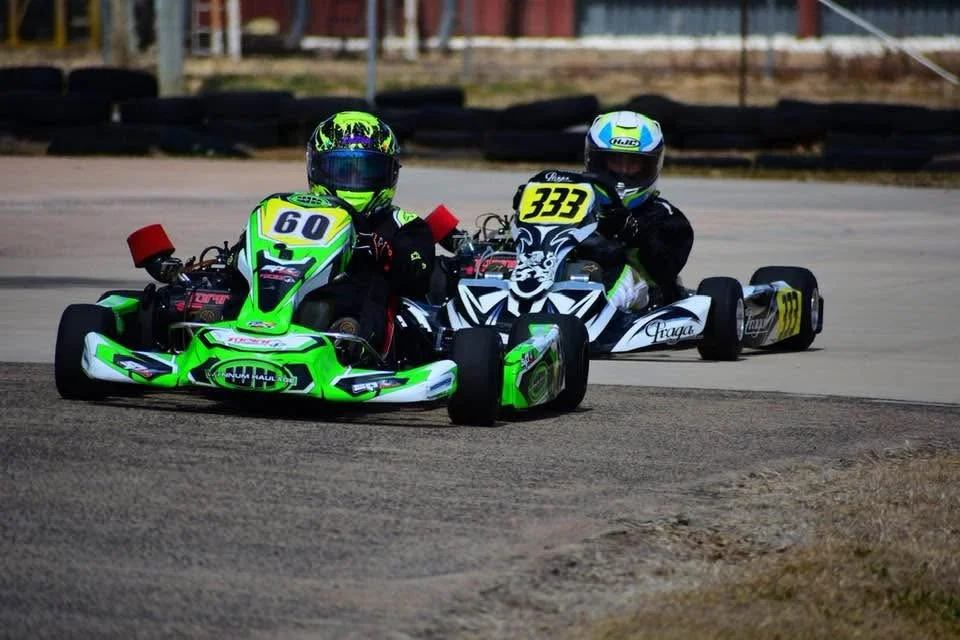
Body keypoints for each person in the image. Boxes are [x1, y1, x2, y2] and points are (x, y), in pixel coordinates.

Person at [302, 110, 436, 352]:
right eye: (342, 169)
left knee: (371, 286)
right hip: (299, 290)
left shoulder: (404, 224)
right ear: (316, 168)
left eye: (366, 171)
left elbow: (418, 276)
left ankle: (350, 343)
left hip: (365, 314)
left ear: (390, 173)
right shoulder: (299, 213)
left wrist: (384, 255)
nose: (354, 180)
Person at [581, 109, 694, 306]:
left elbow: (665, 269)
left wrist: (631, 230)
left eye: (633, 162)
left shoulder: (664, 215)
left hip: (642, 304)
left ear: (651, 165)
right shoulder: (577, 202)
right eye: (615, 160)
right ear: (596, 161)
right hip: (574, 283)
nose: (623, 171)